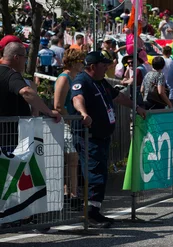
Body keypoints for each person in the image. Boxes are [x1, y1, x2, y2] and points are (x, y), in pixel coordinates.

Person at [71, 51, 146, 228]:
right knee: (95, 174)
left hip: (102, 136)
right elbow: (77, 98)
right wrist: (83, 113)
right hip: (88, 137)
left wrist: (135, 106)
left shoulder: (101, 82)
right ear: (92, 67)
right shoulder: (82, 81)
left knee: (100, 173)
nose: (106, 68)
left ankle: (95, 211)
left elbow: (117, 97)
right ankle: (90, 214)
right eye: (103, 65)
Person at [0, 37, 61, 152]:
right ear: (16, 58)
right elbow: (26, 91)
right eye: (25, 57)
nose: (26, 61)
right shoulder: (11, 75)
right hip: (8, 140)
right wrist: (48, 111)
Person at [53, 49, 86, 209]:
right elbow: (58, 105)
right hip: (66, 123)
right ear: (73, 62)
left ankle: (70, 192)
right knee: (72, 159)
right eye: (80, 61)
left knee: (72, 160)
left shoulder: (73, 77)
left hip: (71, 123)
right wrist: (70, 120)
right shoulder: (64, 78)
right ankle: (72, 194)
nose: (82, 65)